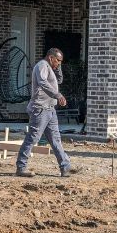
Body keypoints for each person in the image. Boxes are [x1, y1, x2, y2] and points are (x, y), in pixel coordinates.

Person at [15, 47, 78, 177]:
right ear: (51, 58)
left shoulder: (50, 67)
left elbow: (59, 80)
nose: (59, 63)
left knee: (56, 139)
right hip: (40, 109)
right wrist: (58, 95)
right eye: (58, 60)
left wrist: (58, 67)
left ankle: (65, 167)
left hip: (50, 109)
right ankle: (21, 167)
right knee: (33, 137)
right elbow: (43, 82)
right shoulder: (41, 66)